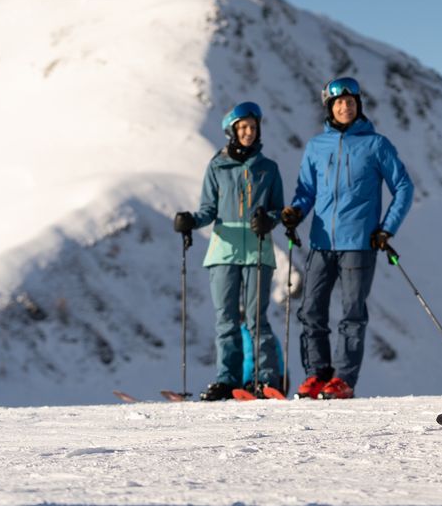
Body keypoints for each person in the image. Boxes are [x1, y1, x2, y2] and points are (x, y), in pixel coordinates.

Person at [281, 77, 414, 400]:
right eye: (339, 102)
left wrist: (386, 228)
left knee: (352, 313)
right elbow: (306, 191)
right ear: (329, 107)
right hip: (321, 242)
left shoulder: (375, 144)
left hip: (359, 243)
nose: (345, 106)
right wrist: (296, 212)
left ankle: (343, 379)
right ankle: (317, 374)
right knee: (311, 310)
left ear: (358, 105)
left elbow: (404, 188)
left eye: (351, 101)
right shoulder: (316, 146)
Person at [173, 101, 286, 401]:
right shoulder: (217, 167)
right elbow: (208, 210)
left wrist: (270, 219)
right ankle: (228, 378)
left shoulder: (268, 169)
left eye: (253, 127)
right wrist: (190, 221)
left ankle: (264, 378)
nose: (249, 132)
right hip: (224, 249)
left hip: (258, 250)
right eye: (243, 128)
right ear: (232, 132)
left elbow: (278, 209)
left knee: (256, 317)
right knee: (225, 318)